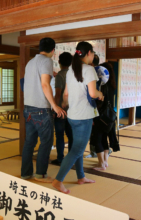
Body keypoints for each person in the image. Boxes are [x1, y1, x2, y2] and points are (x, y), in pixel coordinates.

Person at [52, 41, 104, 194]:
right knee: (76, 150)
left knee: (77, 148)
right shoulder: (89, 70)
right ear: (88, 53)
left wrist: (66, 107)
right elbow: (93, 94)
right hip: (83, 116)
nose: (93, 56)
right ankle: (58, 181)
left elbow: (66, 95)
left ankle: (81, 177)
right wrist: (101, 94)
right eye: (92, 53)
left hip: (72, 116)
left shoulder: (70, 71)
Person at [21, 37, 66, 183]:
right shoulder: (47, 61)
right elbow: (45, 85)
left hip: (28, 108)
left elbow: (34, 82)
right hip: (41, 109)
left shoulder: (30, 62)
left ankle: (26, 173)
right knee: (46, 141)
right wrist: (54, 105)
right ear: (53, 50)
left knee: (29, 142)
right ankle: (40, 174)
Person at [93, 62, 119, 170]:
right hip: (110, 116)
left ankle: (101, 163)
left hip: (101, 115)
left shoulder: (101, 85)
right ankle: (105, 162)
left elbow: (99, 101)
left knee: (97, 139)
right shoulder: (112, 84)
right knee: (105, 138)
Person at [51, 52, 73, 166]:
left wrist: (55, 108)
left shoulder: (60, 75)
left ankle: (60, 158)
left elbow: (58, 94)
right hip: (72, 111)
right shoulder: (73, 75)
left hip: (61, 111)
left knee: (59, 135)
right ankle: (71, 158)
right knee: (71, 136)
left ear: (59, 62)